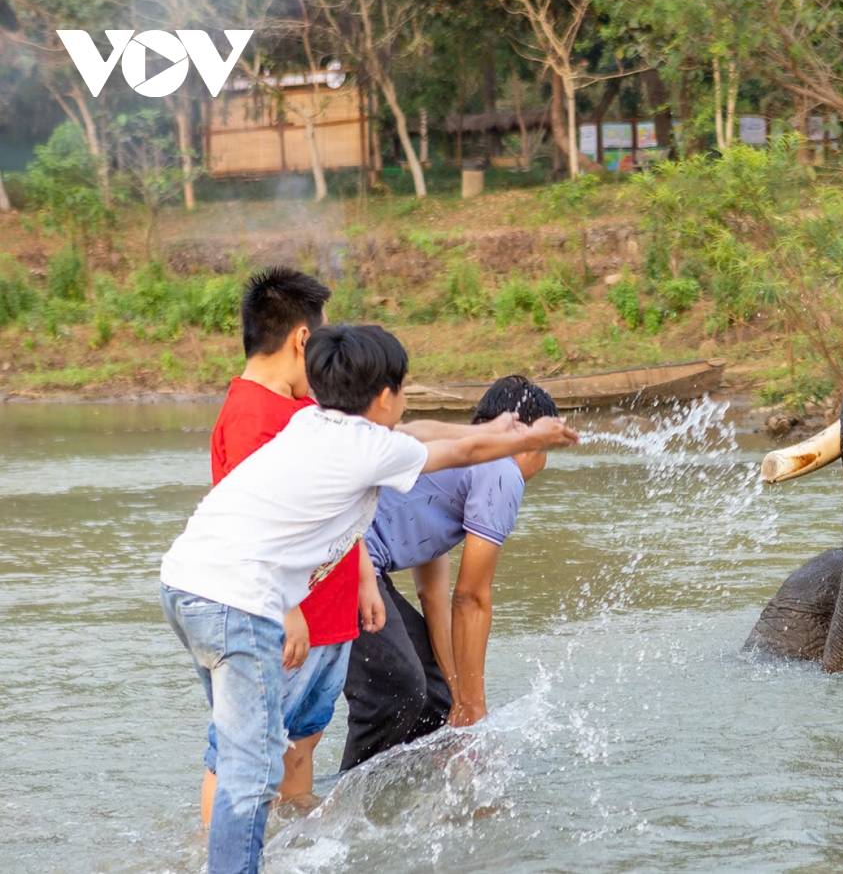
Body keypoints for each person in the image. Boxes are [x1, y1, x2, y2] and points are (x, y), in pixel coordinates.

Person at [160, 324, 579, 874]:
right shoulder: (369, 451)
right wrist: (524, 438)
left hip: (189, 584)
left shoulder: (318, 422)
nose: (405, 405)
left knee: (259, 749)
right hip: (234, 596)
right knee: (250, 765)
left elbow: (431, 431)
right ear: (383, 398)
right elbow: (465, 455)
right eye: (402, 390)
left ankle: (314, 832)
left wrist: (500, 426)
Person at [197, 268, 379, 825]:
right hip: (286, 621)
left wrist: (366, 578)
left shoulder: (303, 411)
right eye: (321, 343)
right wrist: (288, 606)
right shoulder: (252, 417)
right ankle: (211, 855)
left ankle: (294, 842)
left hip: (331, 615)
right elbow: (254, 531)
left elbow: (336, 507)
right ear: (303, 339)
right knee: (242, 753)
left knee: (302, 743)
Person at [340, 375, 559, 771]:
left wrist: (459, 697)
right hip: (344, 561)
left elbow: (435, 598)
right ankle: (351, 799)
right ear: (531, 440)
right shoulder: (502, 469)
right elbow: (472, 598)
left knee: (435, 695)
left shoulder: (456, 465)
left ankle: (414, 790)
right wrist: (476, 711)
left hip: (357, 562)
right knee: (398, 686)